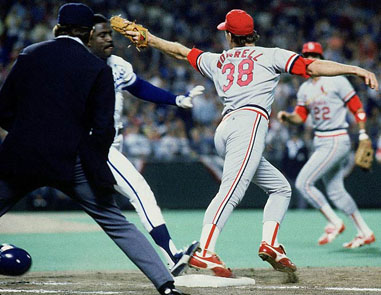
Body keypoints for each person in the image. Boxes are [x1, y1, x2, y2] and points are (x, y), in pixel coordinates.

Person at [124, 9, 378, 277]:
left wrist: (150, 38)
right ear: (252, 34)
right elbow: (312, 66)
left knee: (281, 188)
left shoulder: (218, 59)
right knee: (231, 190)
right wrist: (353, 69)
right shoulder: (271, 54)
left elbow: (178, 50)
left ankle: (271, 244)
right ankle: (206, 251)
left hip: (227, 129)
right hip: (248, 124)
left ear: (231, 36)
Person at [0, 4, 182, 295]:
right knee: (116, 222)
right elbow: (103, 128)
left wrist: (27, 135)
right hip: (71, 159)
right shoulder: (96, 67)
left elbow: (4, 110)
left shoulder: (30, 54)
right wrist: (93, 164)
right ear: (87, 34)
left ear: (58, 28)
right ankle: (166, 285)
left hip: (22, 154)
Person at [87, 14, 200, 276]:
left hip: (113, 143)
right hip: (94, 144)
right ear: (87, 38)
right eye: (101, 35)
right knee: (141, 192)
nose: (108, 39)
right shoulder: (78, 66)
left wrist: (176, 100)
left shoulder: (117, 64)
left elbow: (139, 87)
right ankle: (172, 255)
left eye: (109, 34)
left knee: (107, 208)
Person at [277, 42, 376, 249]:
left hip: (336, 138)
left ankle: (334, 222)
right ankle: (365, 232)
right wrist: (288, 117)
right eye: (307, 55)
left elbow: (356, 107)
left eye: (315, 54)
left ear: (322, 57)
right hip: (321, 141)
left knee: (303, 183)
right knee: (336, 191)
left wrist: (364, 133)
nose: (312, 57)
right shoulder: (304, 89)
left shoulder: (337, 81)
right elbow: (301, 117)